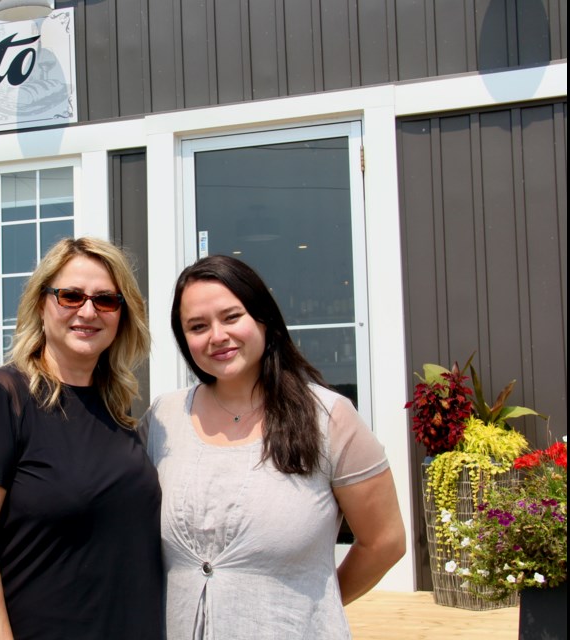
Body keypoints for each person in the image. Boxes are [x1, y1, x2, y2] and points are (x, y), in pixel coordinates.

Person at [141, 255, 406, 640]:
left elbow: (385, 542)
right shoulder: (164, 419)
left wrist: (316, 607)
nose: (217, 336)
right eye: (197, 326)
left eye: (232, 317)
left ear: (263, 319)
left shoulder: (328, 418)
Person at [0, 237, 162, 640]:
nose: (87, 311)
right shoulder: (0, 397)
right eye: (70, 296)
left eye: (105, 300)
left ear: (122, 314)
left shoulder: (116, 408)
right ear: (41, 303)